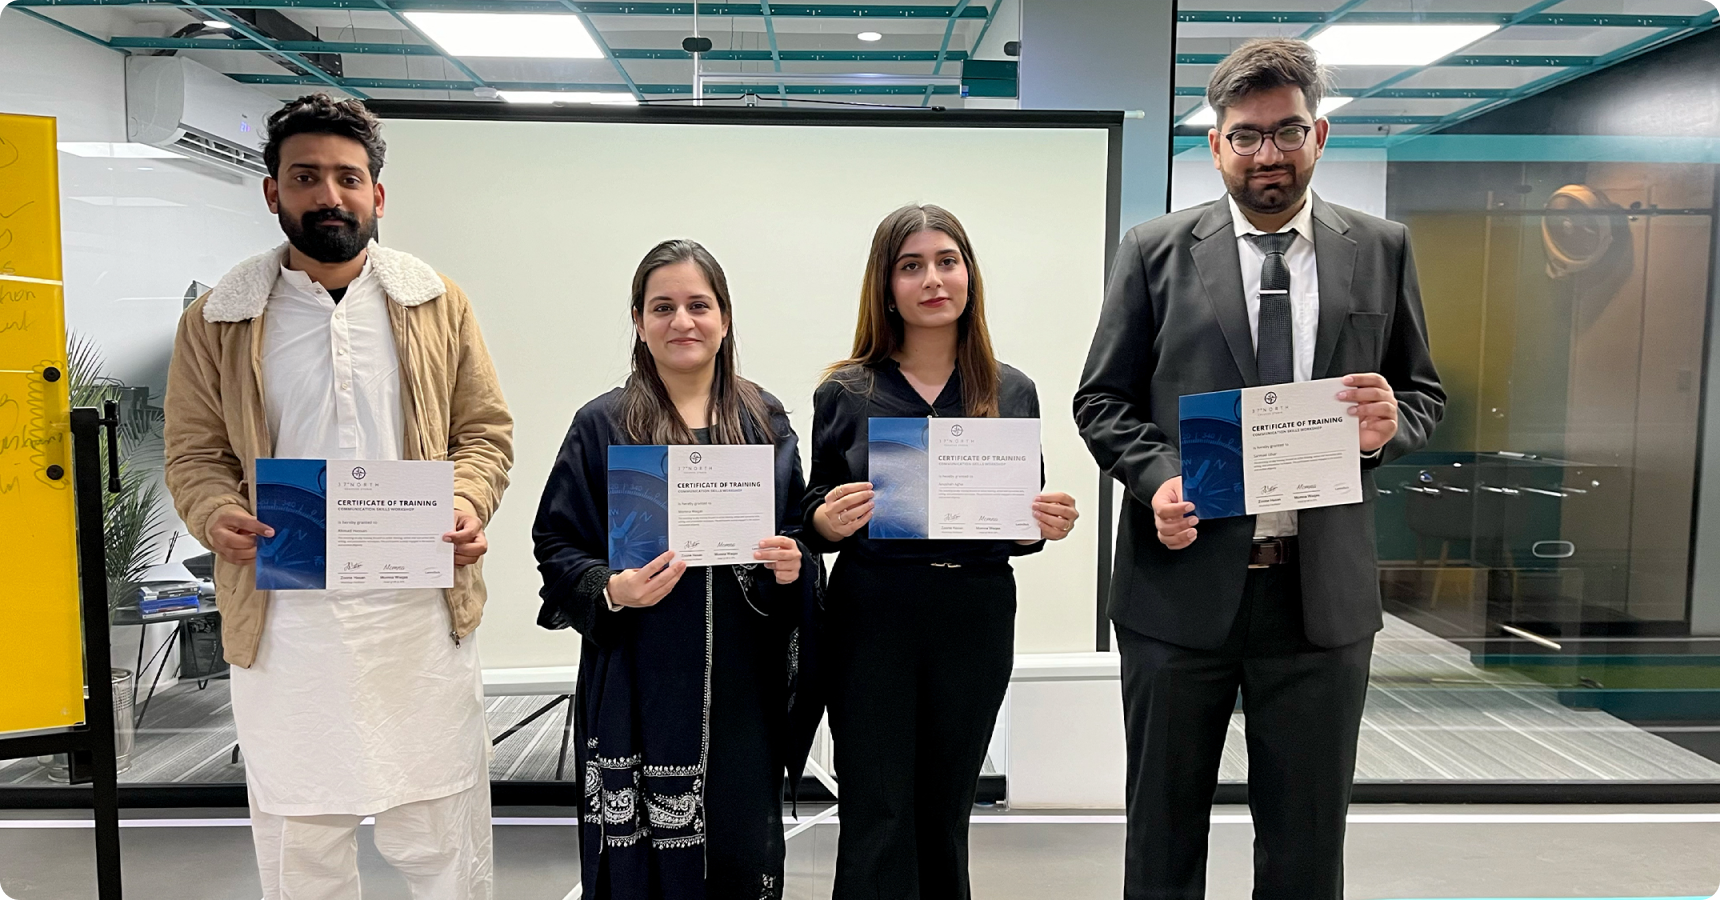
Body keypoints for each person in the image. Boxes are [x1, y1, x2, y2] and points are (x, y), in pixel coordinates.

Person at [1074, 39, 1445, 898]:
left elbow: (1420, 389)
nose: (1265, 154)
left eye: (1285, 133)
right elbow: (1102, 400)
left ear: (1319, 135)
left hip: (1320, 600)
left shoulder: (1381, 248)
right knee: (1162, 840)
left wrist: (1389, 426)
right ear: (1215, 144)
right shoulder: (1154, 251)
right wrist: (1159, 477)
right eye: (1245, 136)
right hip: (1179, 592)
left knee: (1307, 847)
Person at [164, 94, 514, 899]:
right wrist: (215, 512)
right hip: (287, 620)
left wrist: (465, 501)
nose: (329, 195)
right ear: (273, 192)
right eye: (307, 176)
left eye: (348, 178)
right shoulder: (217, 319)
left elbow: (484, 433)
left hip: (418, 612)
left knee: (440, 832)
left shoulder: (436, 302)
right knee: (302, 840)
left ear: (377, 195)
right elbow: (194, 452)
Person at [806, 204, 1081, 900]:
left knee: (945, 806)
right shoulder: (846, 389)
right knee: (877, 805)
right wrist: (827, 523)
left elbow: (1019, 523)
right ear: (886, 284)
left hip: (975, 612)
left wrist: (1037, 526)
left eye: (947, 261)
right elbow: (809, 508)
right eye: (911, 265)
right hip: (873, 612)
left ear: (969, 275)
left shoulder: (1009, 388)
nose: (933, 279)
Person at [532, 239, 822, 900]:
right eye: (663, 307)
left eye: (699, 305)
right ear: (638, 320)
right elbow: (555, 541)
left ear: (724, 318)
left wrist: (790, 562)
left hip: (744, 688)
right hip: (640, 675)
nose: (682, 321)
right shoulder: (602, 423)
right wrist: (611, 588)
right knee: (644, 866)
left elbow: (798, 530)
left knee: (739, 852)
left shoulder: (765, 420)